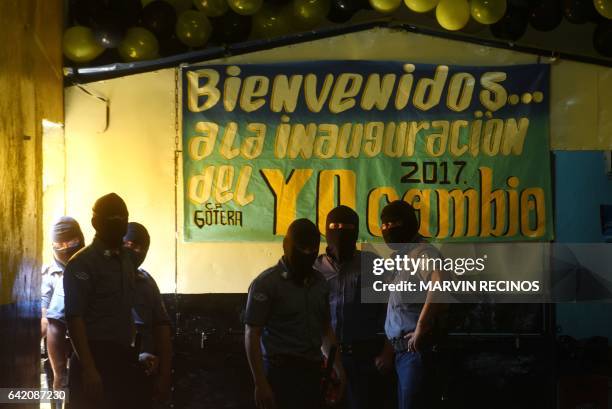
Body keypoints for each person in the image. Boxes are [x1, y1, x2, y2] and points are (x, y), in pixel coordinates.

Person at [244, 218, 347, 409]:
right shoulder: (266, 284)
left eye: (312, 250)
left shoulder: (320, 283)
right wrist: (260, 383)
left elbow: (325, 330)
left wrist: (338, 369)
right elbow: (252, 334)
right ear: (287, 245)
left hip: (312, 373)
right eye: (302, 248)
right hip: (278, 373)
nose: (307, 254)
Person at [314, 205, 395, 409]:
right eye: (335, 226)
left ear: (356, 231)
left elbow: (391, 308)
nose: (340, 231)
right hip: (323, 358)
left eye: (346, 226)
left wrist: (388, 350)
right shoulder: (314, 267)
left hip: (363, 358)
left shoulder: (371, 264)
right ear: (326, 229)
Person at [64, 193, 139, 409]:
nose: (118, 224)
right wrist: (89, 368)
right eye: (111, 219)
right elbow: (74, 318)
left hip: (122, 358)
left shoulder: (127, 260)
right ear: (95, 223)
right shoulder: (82, 264)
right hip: (93, 357)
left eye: (122, 218)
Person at [380, 200, 447, 409]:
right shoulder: (402, 257)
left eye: (395, 223)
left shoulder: (422, 253)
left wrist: (421, 326)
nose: (388, 229)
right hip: (401, 354)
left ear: (409, 223)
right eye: (384, 225)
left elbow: (440, 283)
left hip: (415, 353)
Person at [123, 222, 173, 407]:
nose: (135, 251)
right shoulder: (95, 276)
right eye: (129, 245)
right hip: (109, 372)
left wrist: (164, 376)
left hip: (143, 373)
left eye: (140, 248)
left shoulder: (146, 282)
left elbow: (162, 329)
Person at [41, 217, 85, 408]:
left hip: (87, 349)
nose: (66, 248)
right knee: (59, 400)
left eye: (72, 243)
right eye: (59, 244)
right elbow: (44, 317)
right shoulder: (47, 274)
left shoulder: (93, 268)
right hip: (56, 352)